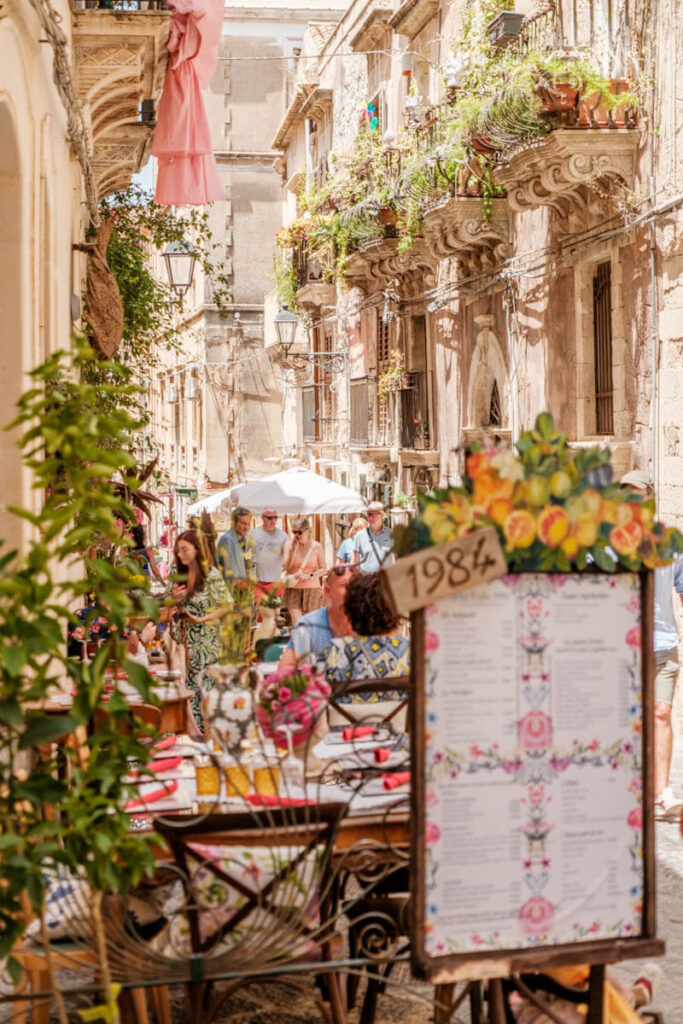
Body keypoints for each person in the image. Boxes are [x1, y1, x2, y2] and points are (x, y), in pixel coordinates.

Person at [621, 469, 683, 820]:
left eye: (637, 493)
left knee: (660, 713)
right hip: (622, 648)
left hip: (662, 643)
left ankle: (661, 793)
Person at [170, 529, 231, 730]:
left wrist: (201, 619)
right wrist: (173, 599)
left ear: (197, 550)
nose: (180, 555)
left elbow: (227, 605)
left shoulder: (211, 575)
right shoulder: (176, 574)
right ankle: (200, 741)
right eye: (178, 551)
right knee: (193, 692)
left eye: (184, 550)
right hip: (187, 645)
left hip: (209, 642)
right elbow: (165, 606)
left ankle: (213, 738)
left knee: (209, 693)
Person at [322, 571, 409, 693]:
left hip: (345, 712)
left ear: (351, 610)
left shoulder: (333, 652)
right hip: (402, 712)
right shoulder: (413, 652)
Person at [278, 565, 354, 670]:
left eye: (355, 585)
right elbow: (285, 670)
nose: (352, 590)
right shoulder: (308, 625)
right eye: (344, 585)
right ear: (328, 592)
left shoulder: (371, 623)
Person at [281, 517, 327, 625]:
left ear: (308, 531)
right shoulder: (289, 545)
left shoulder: (316, 546)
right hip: (293, 588)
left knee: (311, 622)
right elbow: (285, 567)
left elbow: (324, 569)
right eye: (294, 532)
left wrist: (310, 575)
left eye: (299, 532)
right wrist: (293, 550)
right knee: (298, 622)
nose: (296, 535)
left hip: (312, 589)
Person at [248, 508, 288, 593]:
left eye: (275, 518)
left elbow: (288, 556)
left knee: (275, 605)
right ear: (262, 517)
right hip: (257, 581)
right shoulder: (252, 534)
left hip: (276, 581)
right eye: (270, 518)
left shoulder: (283, 536)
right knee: (257, 606)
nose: (273, 521)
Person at [352, 501, 393, 573]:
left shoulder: (391, 534)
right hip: (366, 581)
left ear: (381, 516)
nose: (369, 518)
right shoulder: (360, 535)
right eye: (368, 515)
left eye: (372, 514)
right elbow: (354, 561)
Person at [216, 506, 252, 583]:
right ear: (234, 523)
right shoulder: (228, 540)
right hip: (232, 590)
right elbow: (232, 575)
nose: (246, 527)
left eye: (248, 524)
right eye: (243, 523)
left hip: (240, 588)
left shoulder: (243, 540)